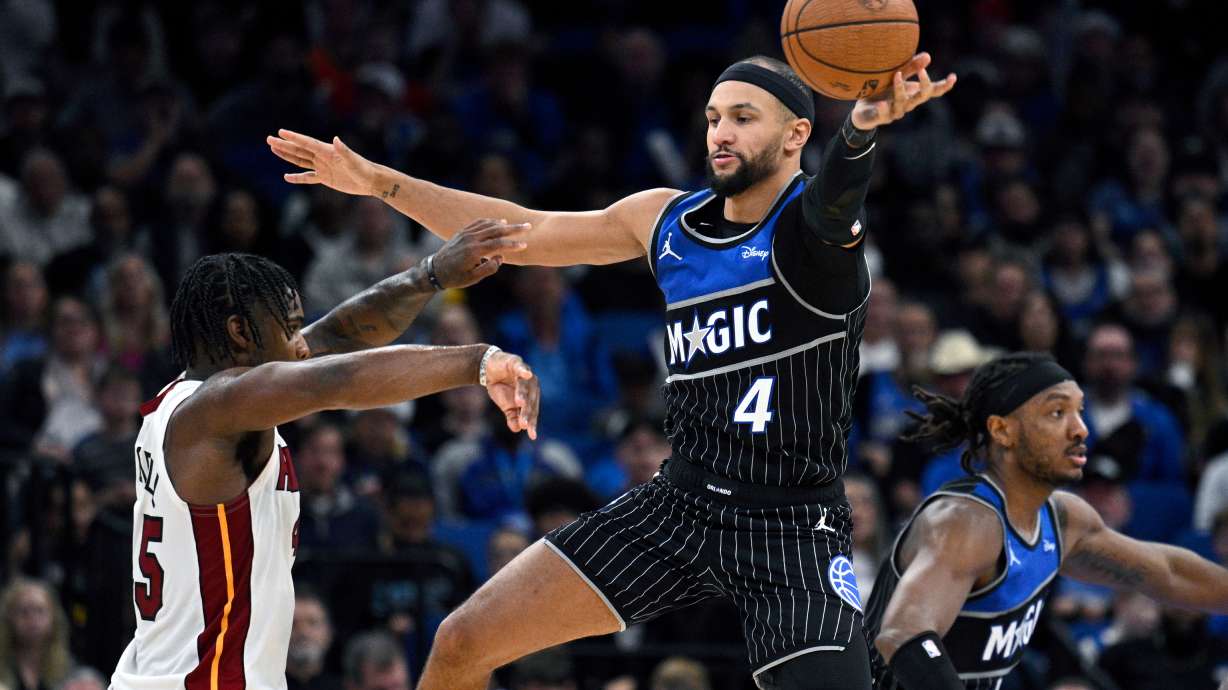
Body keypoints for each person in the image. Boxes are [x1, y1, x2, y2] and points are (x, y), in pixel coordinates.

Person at [271, 49, 956, 689]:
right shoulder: (666, 221)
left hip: (791, 526)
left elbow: (836, 199)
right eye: (713, 117)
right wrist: (378, 182)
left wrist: (859, 132)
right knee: (460, 641)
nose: (721, 133)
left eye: (744, 118)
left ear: (795, 135)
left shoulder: (813, 234)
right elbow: (516, 230)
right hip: (680, 504)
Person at [107, 218, 541, 690]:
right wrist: (478, 362)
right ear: (240, 332)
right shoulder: (217, 408)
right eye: (291, 328)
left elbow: (340, 335)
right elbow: (336, 379)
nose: (302, 345)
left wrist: (430, 273)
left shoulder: (188, 404)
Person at [861, 352, 1228, 690]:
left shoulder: (1062, 520)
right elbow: (904, 635)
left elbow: (1167, 573)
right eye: (1056, 413)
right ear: (1002, 431)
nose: (1080, 429)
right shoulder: (966, 522)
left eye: (1080, 411)